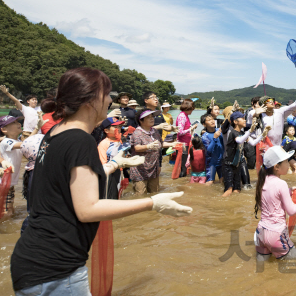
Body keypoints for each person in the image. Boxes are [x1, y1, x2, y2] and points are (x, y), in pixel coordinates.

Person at [10, 67, 191, 295]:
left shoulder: (56, 132)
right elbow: (88, 209)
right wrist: (153, 203)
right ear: (90, 100)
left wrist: (114, 165)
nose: (110, 102)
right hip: (56, 267)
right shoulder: (80, 139)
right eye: (107, 95)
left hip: (33, 257)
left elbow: (65, 184)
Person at [254, 145, 296, 261]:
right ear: (277, 167)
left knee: (261, 271)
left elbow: (272, 194)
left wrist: (290, 190)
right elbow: (291, 211)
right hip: (276, 234)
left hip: (260, 232)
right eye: (286, 161)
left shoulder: (262, 181)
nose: (289, 164)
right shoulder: (281, 184)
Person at [129, 109, 180, 194]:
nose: (152, 119)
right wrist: (148, 146)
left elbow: (161, 144)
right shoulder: (137, 133)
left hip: (153, 168)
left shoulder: (154, 131)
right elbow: (137, 147)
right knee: (140, 195)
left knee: (155, 193)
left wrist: (173, 144)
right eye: (148, 117)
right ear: (141, 121)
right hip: (140, 170)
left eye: (152, 116)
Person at [223, 111, 264, 196]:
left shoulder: (242, 133)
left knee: (237, 190)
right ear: (235, 122)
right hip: (228, 166)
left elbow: (253, 143)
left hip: (237, 166)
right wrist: (250, 131)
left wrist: (263, 135)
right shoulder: (233, 133)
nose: (245, 120)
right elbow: (240, 140)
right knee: (229, 191)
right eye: (242, 119)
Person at [0, 115, 24, 218]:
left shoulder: (15, 140)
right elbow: (26, 144)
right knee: (5, 212)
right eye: (13, 123)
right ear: (4, 129)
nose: (19, 123)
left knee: (9, 211)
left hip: (8, 182)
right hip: (2, 182)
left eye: (18, 121)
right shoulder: (6, 141)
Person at [200, 113, 224, 185]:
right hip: (211, 162)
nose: (212, 121)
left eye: (212, 119)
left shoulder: (219, 131)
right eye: (209, 120)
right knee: (210, 182)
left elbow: (224, 144)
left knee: (222, 181)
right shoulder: (205, 136)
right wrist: (214, 138)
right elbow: (209, 150)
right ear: (204, 124)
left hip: (221, 161)